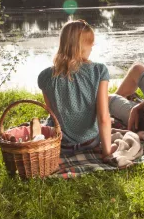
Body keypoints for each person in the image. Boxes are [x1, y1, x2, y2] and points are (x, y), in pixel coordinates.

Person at [38, 20, 114, 158]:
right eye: (90, 42)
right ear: (83, 46)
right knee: (108, 120)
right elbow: (103, 118)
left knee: (46, 122)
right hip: (90, 142)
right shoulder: (99, 71)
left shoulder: (44, 76)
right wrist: (107, 153)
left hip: (61, 146)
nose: (92, 46)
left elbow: (53, 115)